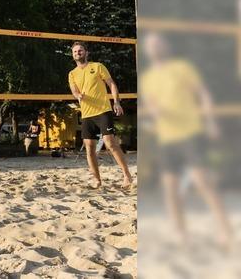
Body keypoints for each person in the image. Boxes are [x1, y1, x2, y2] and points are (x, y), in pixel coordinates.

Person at [140, 32, 232, 249]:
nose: (154, 48)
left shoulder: (181, 67)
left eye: (158, 43)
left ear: (165, 46)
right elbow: (152, 106)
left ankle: (224, 229)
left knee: (202, 183)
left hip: (190, 132)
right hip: (166, 137)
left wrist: (210, 121)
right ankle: (181, 234)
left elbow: (203, 94)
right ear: (147, 50)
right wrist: (154, 112)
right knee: (169, 188)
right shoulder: (147, 78)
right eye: (150, 45)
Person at [67, 41, 133, 189]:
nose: (77, 53)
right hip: (86, 114)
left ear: (86, 53)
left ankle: (127, 175)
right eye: (75, 52)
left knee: (110, 143)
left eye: (80, 50)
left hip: (103, 110)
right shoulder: (72, 74)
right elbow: (74, 90)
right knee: (89, 147)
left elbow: (111, 84)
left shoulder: (97, 66)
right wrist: (78, 95)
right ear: (73, 55)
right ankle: (97, 180)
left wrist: (116, 102)